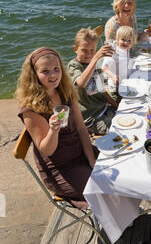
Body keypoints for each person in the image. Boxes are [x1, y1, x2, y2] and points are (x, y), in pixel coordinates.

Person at [15, 47, 98, 209]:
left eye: (56, 69)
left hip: (80, 152)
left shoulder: (65, 92)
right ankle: (117, 223)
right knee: (100, 188)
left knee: (116, 171)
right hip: (61, 168)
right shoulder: (31, 109)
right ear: (34, 75)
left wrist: (91, 158)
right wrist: (53, 130)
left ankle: (124, 213)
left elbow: (81, 128)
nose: (53, 75)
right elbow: (47, 150)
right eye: (45, 71)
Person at [67, 28, 118, 136]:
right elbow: (81, 83)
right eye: (84, 50)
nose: (89, 54)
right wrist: (96, 58)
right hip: (91, 118)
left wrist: (116, 105)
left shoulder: (94, 64)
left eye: (92, 51)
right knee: (116, 133)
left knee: (126, 119)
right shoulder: (74, 65)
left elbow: (101, 91)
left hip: (104, 108)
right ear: (75, 49)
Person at [102, 25, 136, 101]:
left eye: (129, 41)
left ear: (132, 42)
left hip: (124, 84)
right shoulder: (113, 52)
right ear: (117, 40)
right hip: (115, 88)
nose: (126, 43)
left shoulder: (126, 50)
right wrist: (113, 76)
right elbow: (104, 67)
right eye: (123, 39)